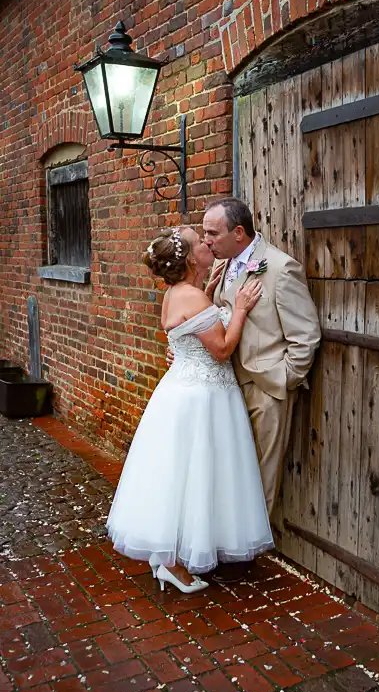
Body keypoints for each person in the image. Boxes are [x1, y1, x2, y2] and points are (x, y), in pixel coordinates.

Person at [107, 226, 274, 594]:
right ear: (188, 258)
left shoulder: (179, 293)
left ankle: (167, 556)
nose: (207, 243)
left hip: (179, 390)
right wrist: (241, 309)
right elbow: (221, 350)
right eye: (200, 242)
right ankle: (176, 567)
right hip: (204, 396)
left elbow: (186, 329)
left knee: (179, 477)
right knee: (199, 475)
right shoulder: (193, 299)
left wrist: (209, 291)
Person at [168, 198, 321, 518]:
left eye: (212, 233)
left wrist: (284, 378)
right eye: (204, 234)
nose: (206, 240)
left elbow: (305, 335)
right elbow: (210, 319)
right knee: (229, 471)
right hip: (225, 385)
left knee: (261, 475)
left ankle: (250, 552)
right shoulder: (222, 266)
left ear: (238, 232)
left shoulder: (280, 268)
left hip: (265, 388)